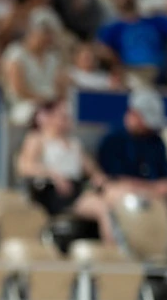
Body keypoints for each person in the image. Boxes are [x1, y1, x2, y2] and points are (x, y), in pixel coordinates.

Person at [16, 101, 115, 243]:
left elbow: (92, 170)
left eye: (67, 117)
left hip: (77, 188)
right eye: (61, 116)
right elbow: (25, 166)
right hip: (55, 191)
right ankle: (111, 248)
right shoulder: (38, 139)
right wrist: (54, 175)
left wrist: (100, 179)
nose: (66, 120)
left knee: (113, 202)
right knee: (103, 209)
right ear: (48, 117)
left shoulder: (74, 144)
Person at [96, 89, 167, 202]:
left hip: (159, 198)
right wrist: (152, 188)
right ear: (133, 114)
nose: (149, 128)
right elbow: (115, 180)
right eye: (145, 120)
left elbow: (166, 176)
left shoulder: (156, 141)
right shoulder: (113, 140)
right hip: (126, 199)